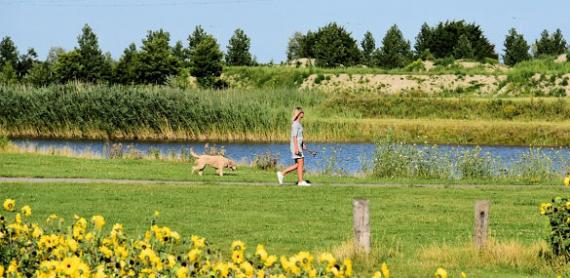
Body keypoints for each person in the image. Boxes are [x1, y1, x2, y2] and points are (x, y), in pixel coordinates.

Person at [277, 107, 311, 186]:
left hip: (298, 145)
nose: (303, 113)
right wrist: (296, 148)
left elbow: (299, 136)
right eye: (302, 112)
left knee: (299, 164)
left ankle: (298, 181)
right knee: (300, 163)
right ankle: (284, 174)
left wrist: (303, 144)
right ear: (299, 114)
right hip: (295, 146)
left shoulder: (298, 123)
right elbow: (294, 137)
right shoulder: (295, 124)